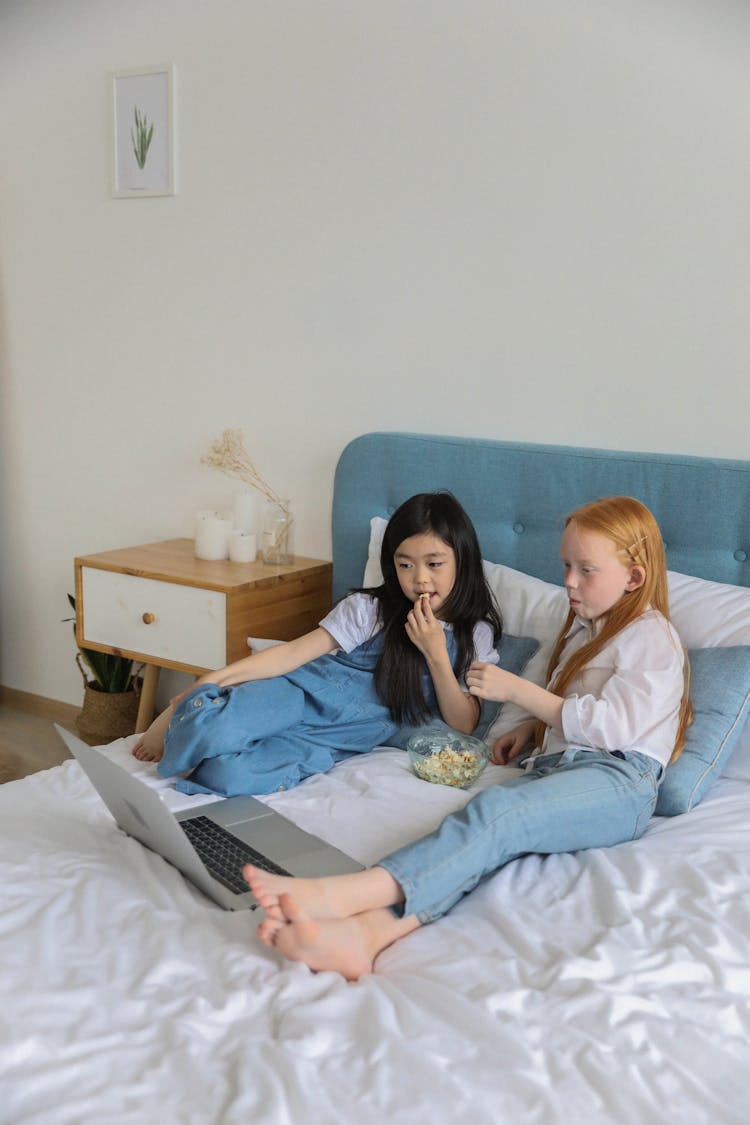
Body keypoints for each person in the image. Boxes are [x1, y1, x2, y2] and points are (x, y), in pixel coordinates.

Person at [243, 495, 693, 980]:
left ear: (634, 577)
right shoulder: (585, 631)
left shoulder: (651, 636)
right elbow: (582, 713)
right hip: (568, 769)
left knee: (497, 815)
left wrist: (520, 693)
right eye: (565, 566)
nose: (568, 581)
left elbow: (616, 729)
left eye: (586, 570)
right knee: (475, 831)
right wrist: (530, 729)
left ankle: (337, 895)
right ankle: (367, 935)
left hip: (621, 780)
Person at [132, 491, 503, 797]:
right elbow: (295, 652)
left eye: (434, 564)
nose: (420, 579)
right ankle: (196, 706)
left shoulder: (476, 635)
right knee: (217, 730)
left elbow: (465, 723)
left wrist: (436, 653)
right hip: (300, 693)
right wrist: (217, 675)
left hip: (339, 736)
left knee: (228, 780)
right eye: (406, 565)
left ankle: (201, 726)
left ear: (462, 561)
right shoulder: (371, 609)